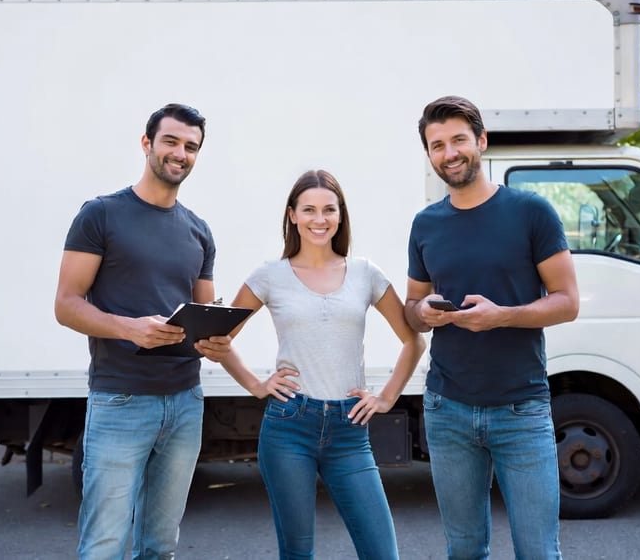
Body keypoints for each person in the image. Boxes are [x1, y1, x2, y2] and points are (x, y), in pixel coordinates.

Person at [206, 169, 426, 560]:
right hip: (289, 427)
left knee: (382, 553)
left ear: (341, 215)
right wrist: (257, 385)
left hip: (350, 432)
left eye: (328, 209)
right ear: (292, 215)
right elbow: (219, 341)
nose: (318, 219)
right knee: (297, 553)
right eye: (308, 210)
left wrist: (386, 398)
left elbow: (413, 340)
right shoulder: (269, 275)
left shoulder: (365, 273)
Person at [404, 95, 580, 560]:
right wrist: (423, 314)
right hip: (448, 409)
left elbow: (567, 303)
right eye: (437, 145)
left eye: (459, 139)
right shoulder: (425, 224)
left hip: (521, 410)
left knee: (538, 551)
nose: (449, 153)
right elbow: (411, 307)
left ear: (481, 142)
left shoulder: (530, 211)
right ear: (429, 155)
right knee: (465, 551)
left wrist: (501, 315)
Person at [54, 103, 231, 559]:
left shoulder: (199, 230)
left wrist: (217, 335)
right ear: (147, 143)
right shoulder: (101, 215)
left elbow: (204, 307)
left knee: (160, 545)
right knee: (105, 544)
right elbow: (66, 305)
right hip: (120, 400)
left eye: (191, 147)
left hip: (185, 401)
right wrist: (129, 328)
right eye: (171, 141)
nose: (181, 153)